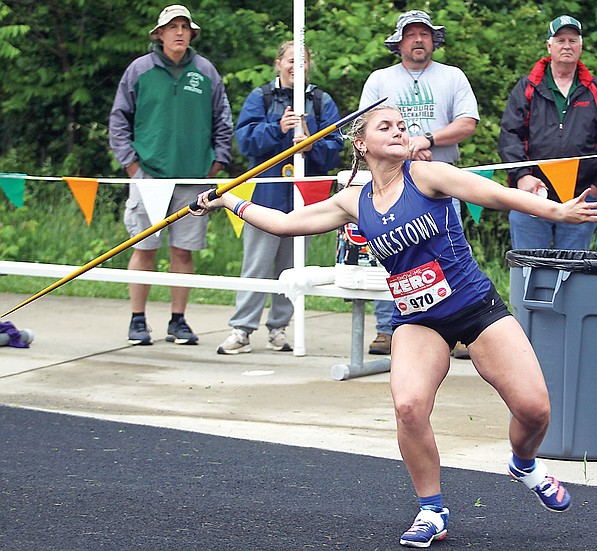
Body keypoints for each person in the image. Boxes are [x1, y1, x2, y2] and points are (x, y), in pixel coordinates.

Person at [190, 106, 597, 548]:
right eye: (384, 126)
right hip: (416, 319)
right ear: (361, 144)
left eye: (402, 126)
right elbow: (284, 224)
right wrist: (226, 199)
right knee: (408, 406)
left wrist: (557, 212)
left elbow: (494, 195)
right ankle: (432, 509)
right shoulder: (353, 200)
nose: (398, 132)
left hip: (473, 307)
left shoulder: (428, 176)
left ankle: (524, 464)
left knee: (535, 410)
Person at [109, 4, 233, 346]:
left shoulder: (206, 70)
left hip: (194, 177)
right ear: (159, 34)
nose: (179, 32)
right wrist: (132, 166)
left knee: (183, 251)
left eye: (184, 26)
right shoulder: (139, 70)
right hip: (149, 175)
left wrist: (216, 164)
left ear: (192, 33)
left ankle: (178, 321)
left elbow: (223, 120)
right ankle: (137, 320)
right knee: (144, 247)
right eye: (172, 27)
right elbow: (119, 119)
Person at [359, 9, 480, 359]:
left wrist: (425, 139)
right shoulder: (380, 79)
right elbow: (367, 127)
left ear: (434, 40)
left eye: (424, 34)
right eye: (410, 34)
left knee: (450, 255)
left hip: (440, 180)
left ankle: (458, 328)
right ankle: (387, 329)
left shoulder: (452, 76)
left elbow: (467, 123)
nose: (418, 40)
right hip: (390, 180)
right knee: (391, 254)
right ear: (398, 43)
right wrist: (405, 154)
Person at [216, 41, 344, 355]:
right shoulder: (262, 97)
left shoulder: (320, 101)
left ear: (308, 66)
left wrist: (313, 146)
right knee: (257, 264)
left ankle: (279, 328)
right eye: (289, 60)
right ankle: (242, 329)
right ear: (278, 63)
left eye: (301, 61)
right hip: (265, 196)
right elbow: (245, 141)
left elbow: (335, 146)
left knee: (292, 267)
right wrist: (277, 128)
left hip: (305, 199)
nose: (294, 66)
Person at [498, 15, 597, 251]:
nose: (567, 46)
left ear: (581, 45)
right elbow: (510, 134)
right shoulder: (527, 87)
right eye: (561, 40)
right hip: (531, 193)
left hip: (581, 196)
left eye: (573, 40)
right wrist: (521, 175)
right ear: (549, 46)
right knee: (529, 266)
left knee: (572, 270)